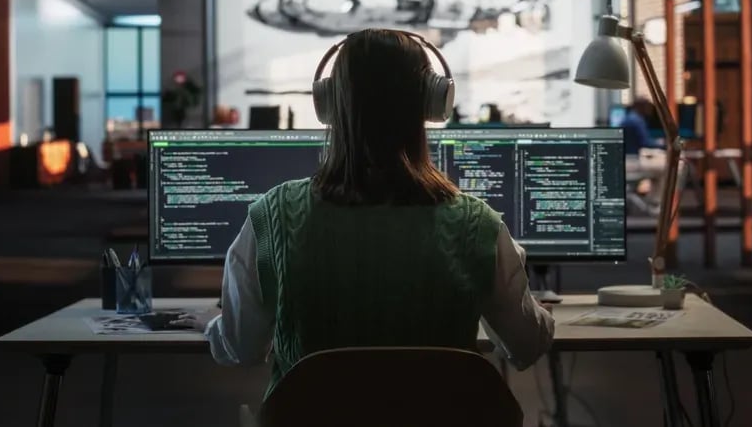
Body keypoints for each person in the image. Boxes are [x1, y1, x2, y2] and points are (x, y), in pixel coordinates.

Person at [172, 28, 554, 397]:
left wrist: (215, 325)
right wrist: (527, 302)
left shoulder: (273, 216)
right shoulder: (478, 225)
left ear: (327, 102)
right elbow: (527, 345)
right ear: (433, 102)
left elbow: (242, 348)